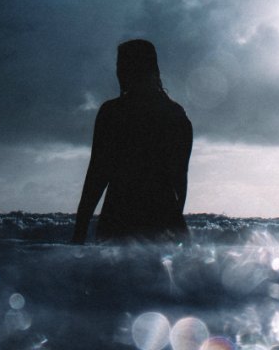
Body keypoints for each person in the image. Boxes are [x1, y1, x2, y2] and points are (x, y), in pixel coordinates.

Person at [72, 39, 193, 244]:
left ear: (131, 70)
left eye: (121, 66)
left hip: (119, 220)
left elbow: (97, 175)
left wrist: (80, 231)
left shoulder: (113, 113)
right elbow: (180, 180)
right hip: (165, 222)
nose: (118, 72)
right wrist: (174, 225)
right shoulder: (176, 114)